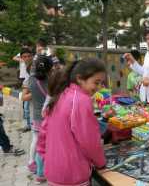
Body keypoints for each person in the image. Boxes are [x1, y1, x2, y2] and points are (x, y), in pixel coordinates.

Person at [37, 58, 106, 186]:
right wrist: (101, 163)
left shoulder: (62, 94)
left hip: (53, 170)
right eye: (96, 82)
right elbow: (90, 141)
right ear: (80, 79)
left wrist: (46, 158)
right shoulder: (81, 100)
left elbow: (43, 132)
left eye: (101, 83)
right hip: (72, 174)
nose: (99, 87)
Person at [22, 55, 53, 183]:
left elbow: (24, 97)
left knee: (36, 140)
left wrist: (33, 95)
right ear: (49, 69)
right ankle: (44, 169)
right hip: (48, 116)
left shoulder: (30, 80)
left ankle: (31, 162)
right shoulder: (51, 81)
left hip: (35, 116)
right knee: (47, 144)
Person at [13, 48, 34, 132]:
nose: (27, 58)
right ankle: (29, 125)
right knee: (26, 108)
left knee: (29, 107)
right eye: (24, 57)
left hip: (34, 88)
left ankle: (32, 125)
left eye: (29, 56)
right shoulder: (23, 64)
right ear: (21, 58)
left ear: (32, 56)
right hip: (27, 86)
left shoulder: (34, 65)